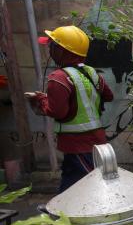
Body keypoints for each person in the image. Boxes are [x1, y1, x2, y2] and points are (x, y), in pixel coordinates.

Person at [25, 26, 114, 192]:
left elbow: (58, 111)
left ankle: (63, 213)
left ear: (62, 51)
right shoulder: (92, 73)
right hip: (98, 141)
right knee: (75, 183)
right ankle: (60, 210)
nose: (50, 49)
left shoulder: (59, 77)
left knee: (82, 188)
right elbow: (108, 96)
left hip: (77, 145)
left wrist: (41, 100)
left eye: (52, 45)